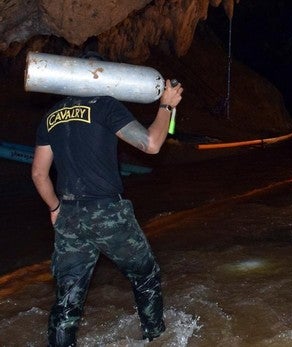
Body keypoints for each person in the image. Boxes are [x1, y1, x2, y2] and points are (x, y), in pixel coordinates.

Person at [31, 52, 183, 345]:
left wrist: (55, 207)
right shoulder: (104, 105)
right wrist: (166, 105)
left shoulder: (50, 115)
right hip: (107, 212)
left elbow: (39, 174)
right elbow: (151, 144)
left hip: (69, 216)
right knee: (146, 275)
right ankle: (155, 337)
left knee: (67, 302)